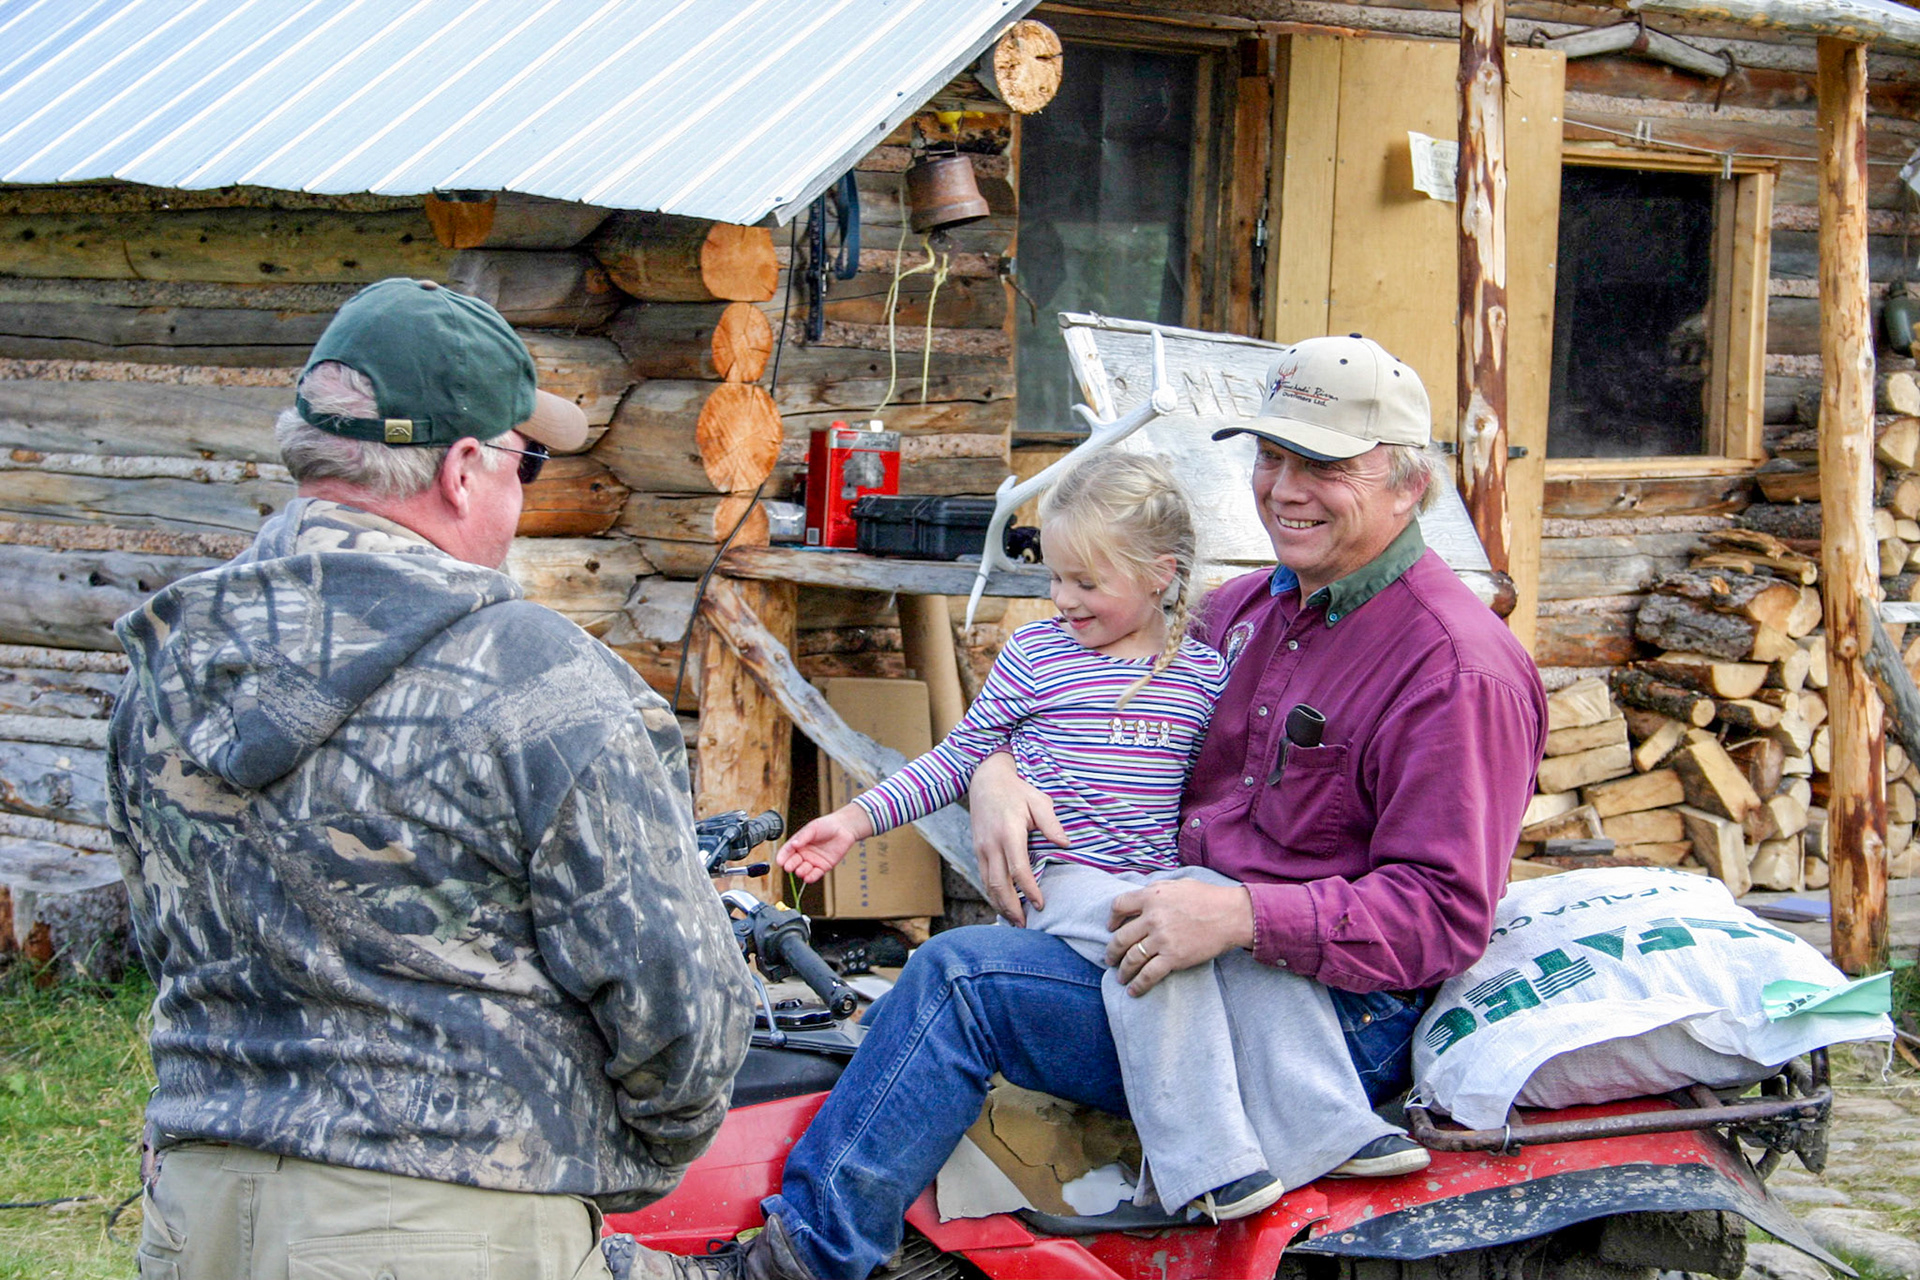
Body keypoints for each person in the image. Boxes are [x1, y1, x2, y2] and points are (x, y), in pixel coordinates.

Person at [721, 333, 1548, 1280]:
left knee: (958, 982)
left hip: (1322, 1022)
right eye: (1271, 456)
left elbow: (1444, 918)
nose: (1283, 488)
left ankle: (792, 1266)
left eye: (1322, 463)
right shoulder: (1249, 613)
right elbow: (1085, 696)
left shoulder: (1457, 669)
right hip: (1173, 935)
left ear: (1409, 483)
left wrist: (1238, 913)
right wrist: (996, 773)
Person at [108, 278, 758, 1280]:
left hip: (197, 1217)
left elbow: (167, 938)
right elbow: (686, 1008)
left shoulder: (169, 663)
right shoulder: (536, 678)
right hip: (449, 1230)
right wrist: (612, 1160)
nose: (524, 488)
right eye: (525, 459)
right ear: (463, 468)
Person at [776, 453, 1284, 1222]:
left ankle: (1319, 1130)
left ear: (1159, 574)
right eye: (1054, 577)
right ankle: (1212, 1167)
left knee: (1196, 919)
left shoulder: (1201, 676)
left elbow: (1220, 803)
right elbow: (959, 756)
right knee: (1145, 932)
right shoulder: (1038, 657)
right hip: (1067, 884)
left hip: (1153, 878)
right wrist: (852, 820)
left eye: (1085, 582)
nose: (1061, 599)